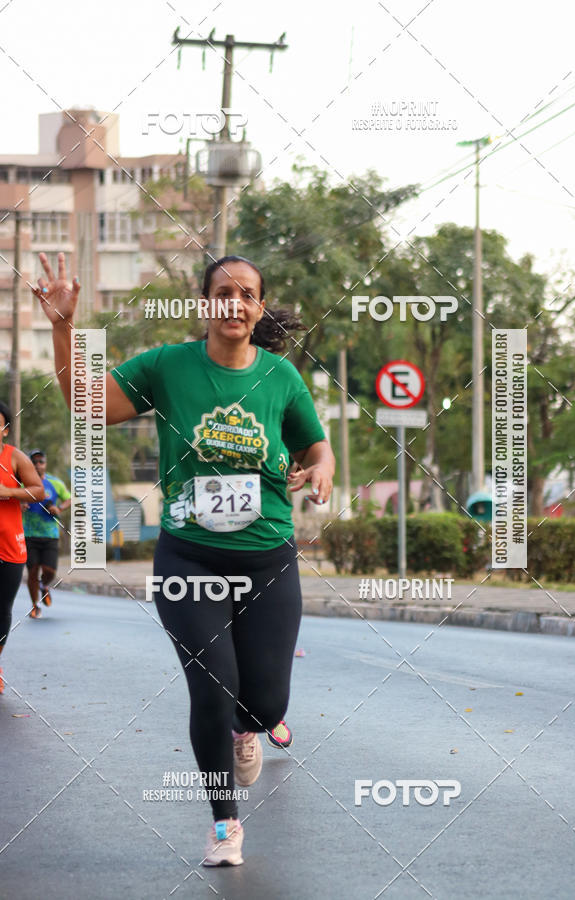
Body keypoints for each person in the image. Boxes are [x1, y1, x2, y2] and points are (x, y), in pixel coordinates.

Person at [34, 250, 335, 866]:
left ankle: (251, 726)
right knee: (211, 688)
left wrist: (323, 470)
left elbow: (316, 444)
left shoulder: (280, 377)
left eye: (248, 293)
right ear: (206, 305)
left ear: (256, 308)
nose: (236, 302)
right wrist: (64, 326)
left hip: (267, 557)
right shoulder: (169, 366)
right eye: (224, 291)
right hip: (189, 558)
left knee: (265, 702)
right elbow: (89, 404)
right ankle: (225, 824)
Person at [0, 401, 45, 694]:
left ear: (4, 429)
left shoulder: (14, 457)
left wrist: (9, 492)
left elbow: (38, 490)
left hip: (8, 547)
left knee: (1, 608)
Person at [22, 450, 71, 618]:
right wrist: (20, 504)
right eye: (34, 462)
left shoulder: (55, 483)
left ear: (45, 464)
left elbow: (69, 498)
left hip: (50, 534)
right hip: (29, 534)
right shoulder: (23, 484)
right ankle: (35, 605)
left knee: (49, 571)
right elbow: (10, 498)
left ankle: (44, 586)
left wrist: (59, 508)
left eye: (40, 462)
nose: (37, 465)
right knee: (33, 571)